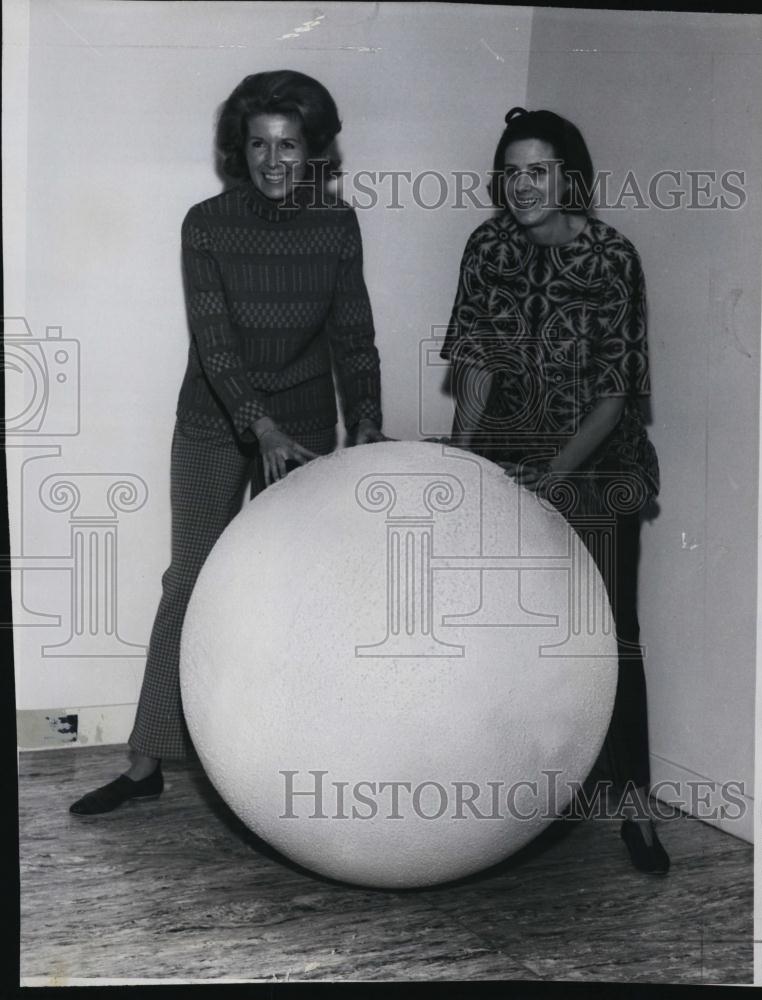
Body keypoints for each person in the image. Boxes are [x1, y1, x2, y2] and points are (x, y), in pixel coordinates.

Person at [70, 69, 384, 815]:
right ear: (236, 150)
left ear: (314, 153)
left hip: (304, 429)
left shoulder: (338, 228)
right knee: (191, 582)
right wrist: (257, 424)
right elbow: (214, 344)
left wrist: (366, 418)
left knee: (283, 596)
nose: (273, 162)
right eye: (257, 145)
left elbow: (354, 332)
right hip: (217, 422)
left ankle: (278, 763)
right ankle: (146, 762)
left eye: (288, 146)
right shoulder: (205, 224)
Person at [441, 107, 669, 874]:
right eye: (510, 171)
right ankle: (517, 800)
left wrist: (556, 479)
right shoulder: (487, 246)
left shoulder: (612, 257)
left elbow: (616, 394)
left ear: (569, 176)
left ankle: (636, 807)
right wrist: (466, 460)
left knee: (613, 634)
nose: (521, 185)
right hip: (512, 454)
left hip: (597, 465)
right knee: (511, 635)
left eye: (536, 170)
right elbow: (474, 361)